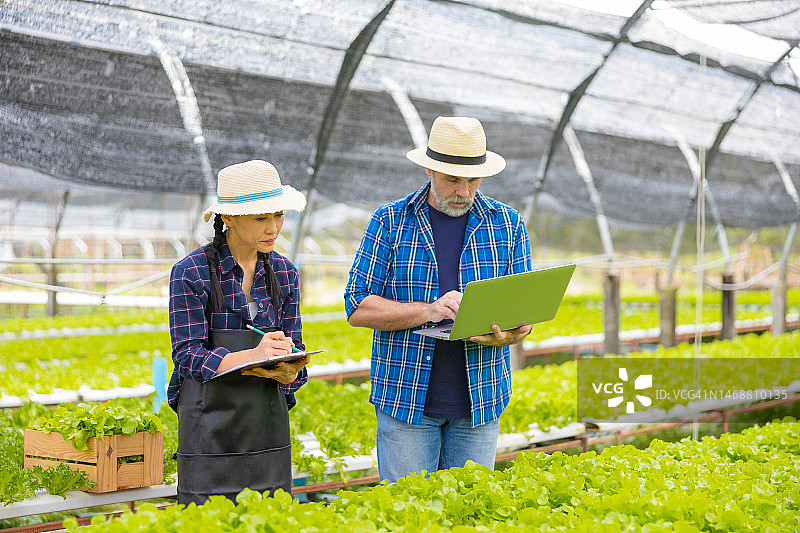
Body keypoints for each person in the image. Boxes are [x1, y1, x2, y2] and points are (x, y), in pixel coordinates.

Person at [344, 116, 533, 484]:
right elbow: (357, 305)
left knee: (469, 513)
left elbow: (523, 316)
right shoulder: (390, 221)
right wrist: (428, 311)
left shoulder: (508, 224)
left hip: (481, 401)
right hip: (406, 400)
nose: (464, 191)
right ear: (430, 169)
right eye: (452, 179)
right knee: (407, 513)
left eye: (473, 179)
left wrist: (507, 335)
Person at [168, 159, 310, 505]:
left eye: (278, 215)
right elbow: (188, 356)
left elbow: (297, 350)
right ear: (228, 218)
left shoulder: (285, 273)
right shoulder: (192, 272)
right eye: (261, 218)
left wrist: (292, 369)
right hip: (208, 432)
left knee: (270, 520)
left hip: (266, 430)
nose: (273, 228)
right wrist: (255, 355)